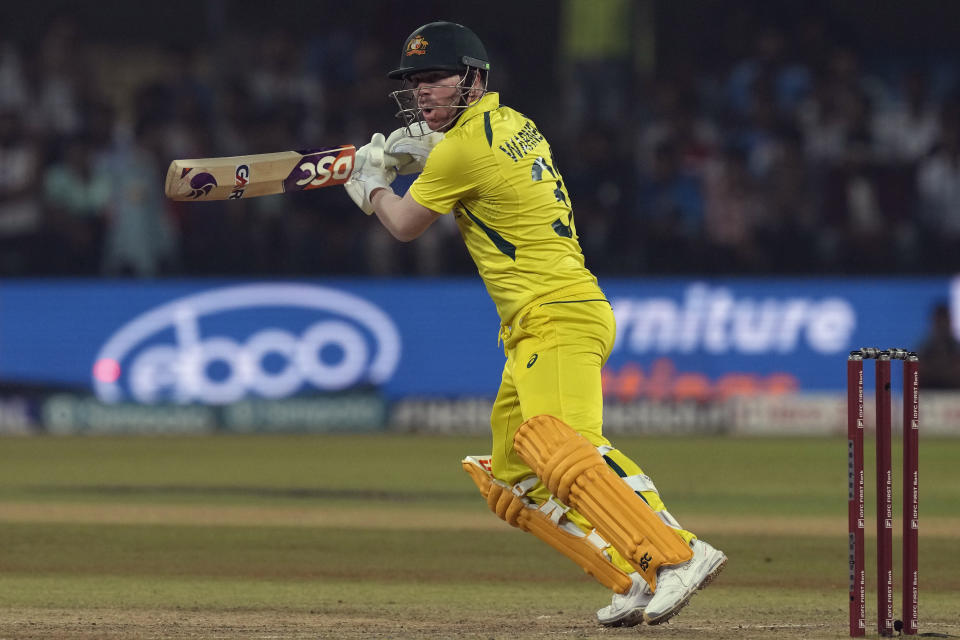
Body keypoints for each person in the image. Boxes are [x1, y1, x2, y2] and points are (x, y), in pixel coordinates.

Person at [343, 21, 726, 627]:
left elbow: (406, 223)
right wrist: (429, 153)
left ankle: (677, 554)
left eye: (435, 79)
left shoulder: (464, 150)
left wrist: (371, 187)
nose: (422, 93)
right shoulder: (515, 123)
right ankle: (630, 573)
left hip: (555, 315)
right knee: (514, 478)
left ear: (473, 78)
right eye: (415, 82)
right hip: (543, 320)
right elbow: (476, 167)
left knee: (568, 449)